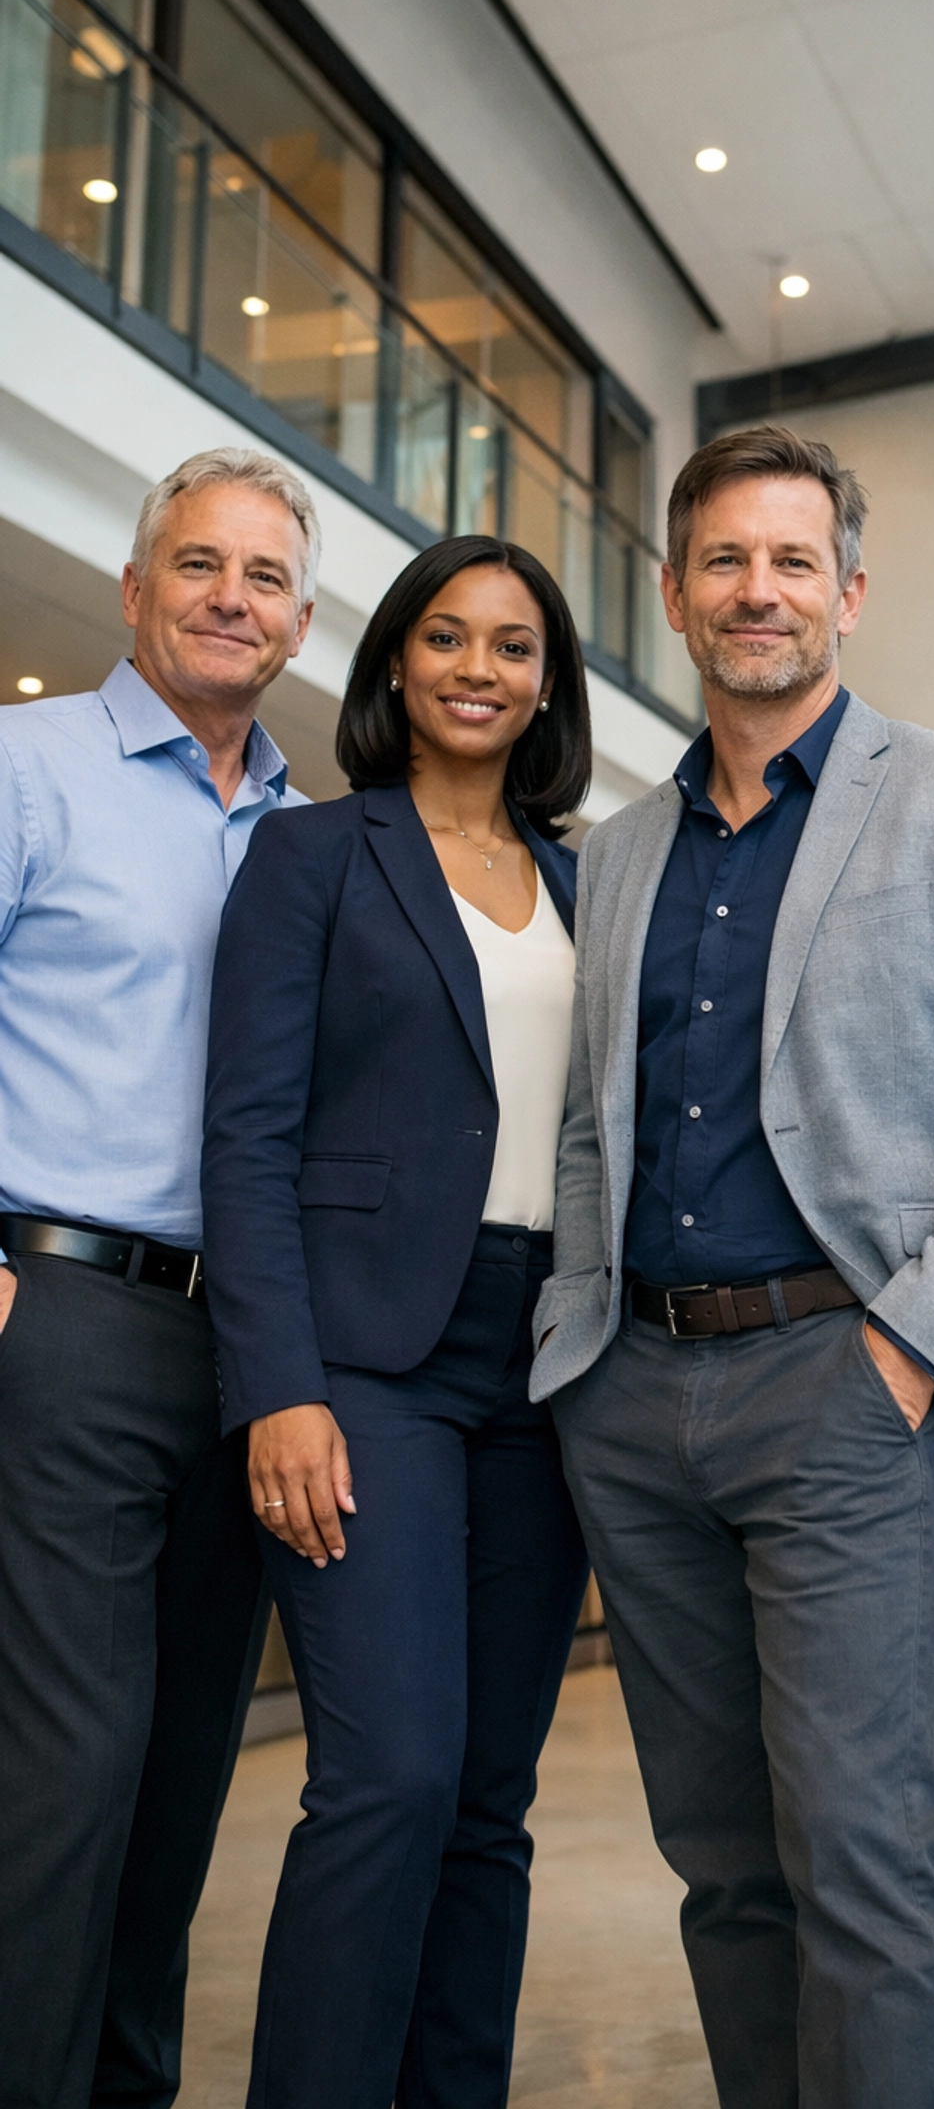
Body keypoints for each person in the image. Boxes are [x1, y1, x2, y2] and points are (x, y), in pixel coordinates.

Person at [530, 423, 934, 2109]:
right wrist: (583, 1349)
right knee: (722, 1862)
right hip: (636, 1398)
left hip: (844, 1388)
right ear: (674, 595)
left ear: (847, 594)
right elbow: (591, 1126)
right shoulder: (620, 852)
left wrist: (909, 1351)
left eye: (792, 560)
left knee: (862, 1857)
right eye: (725, 560)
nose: (756, 590)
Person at [200, 535, 592, 2109]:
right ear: (393, 667)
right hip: (368, 1362)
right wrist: (276, 1386)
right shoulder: (313, 856)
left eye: (511, 645)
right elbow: (246, 1136)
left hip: (546, 1363)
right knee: (389, 1778)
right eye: (447, 639)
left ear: (547, 679)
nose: (478, 670)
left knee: (491, 1798)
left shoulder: (586, 875)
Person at [0, 446, 316, 2109]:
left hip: (246, 1342)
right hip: (59, 1313)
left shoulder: (311, 831)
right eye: (199, 565)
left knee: (188, 1767)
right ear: (135, 592)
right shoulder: (27, 764)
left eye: (263, 579)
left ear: (301, 622)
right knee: (65, 1771)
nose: (228, 598)